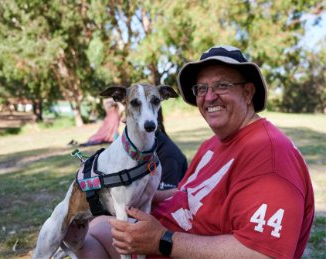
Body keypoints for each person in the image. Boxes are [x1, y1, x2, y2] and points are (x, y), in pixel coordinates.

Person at [66, 46, 315, 259]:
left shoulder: (270, 156)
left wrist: (162, 240)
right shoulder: (213, 143)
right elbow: (192, 195)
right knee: (80, 230)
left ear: (248, 92)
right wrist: (143, 193)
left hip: (158, 248)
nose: (209, 97)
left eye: (222, 85)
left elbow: (263, 253)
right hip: (132, 240)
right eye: (201, 89)